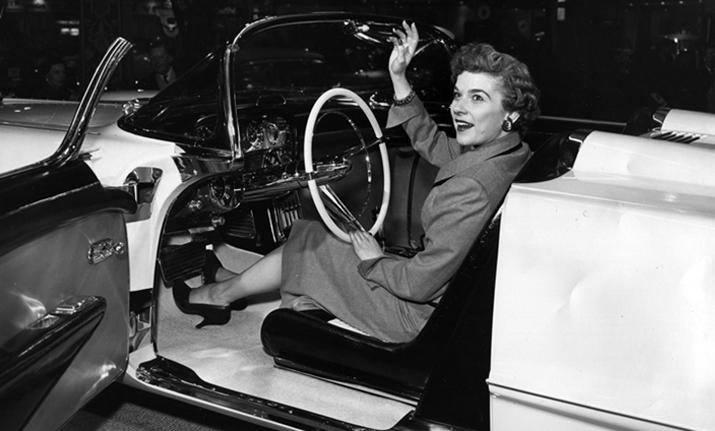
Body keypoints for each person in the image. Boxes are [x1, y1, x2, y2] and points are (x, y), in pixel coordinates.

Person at [173, 21, 539, 343]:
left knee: (314, 242)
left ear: (511, 113)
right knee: (317, 236)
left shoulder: (471, 189)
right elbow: (434, 144)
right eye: (458, 95)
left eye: (477, 98)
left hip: (416, 316)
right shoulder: (508, 154)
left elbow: (420, 283)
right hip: (444, 297)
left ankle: (220, 295)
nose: (459, 107)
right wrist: (399, 79)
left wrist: (374, 261)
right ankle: (234, 284)